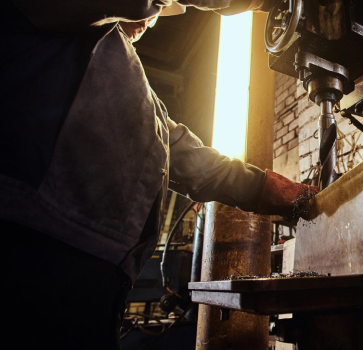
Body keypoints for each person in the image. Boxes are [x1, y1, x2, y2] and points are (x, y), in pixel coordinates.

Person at [0, 0, 314, 348]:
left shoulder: (120, 75)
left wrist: (270, 189)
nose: (151, 22)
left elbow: (185, 157)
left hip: (94, 270)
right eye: (155, 11)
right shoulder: (57, 20)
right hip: (35, 249)